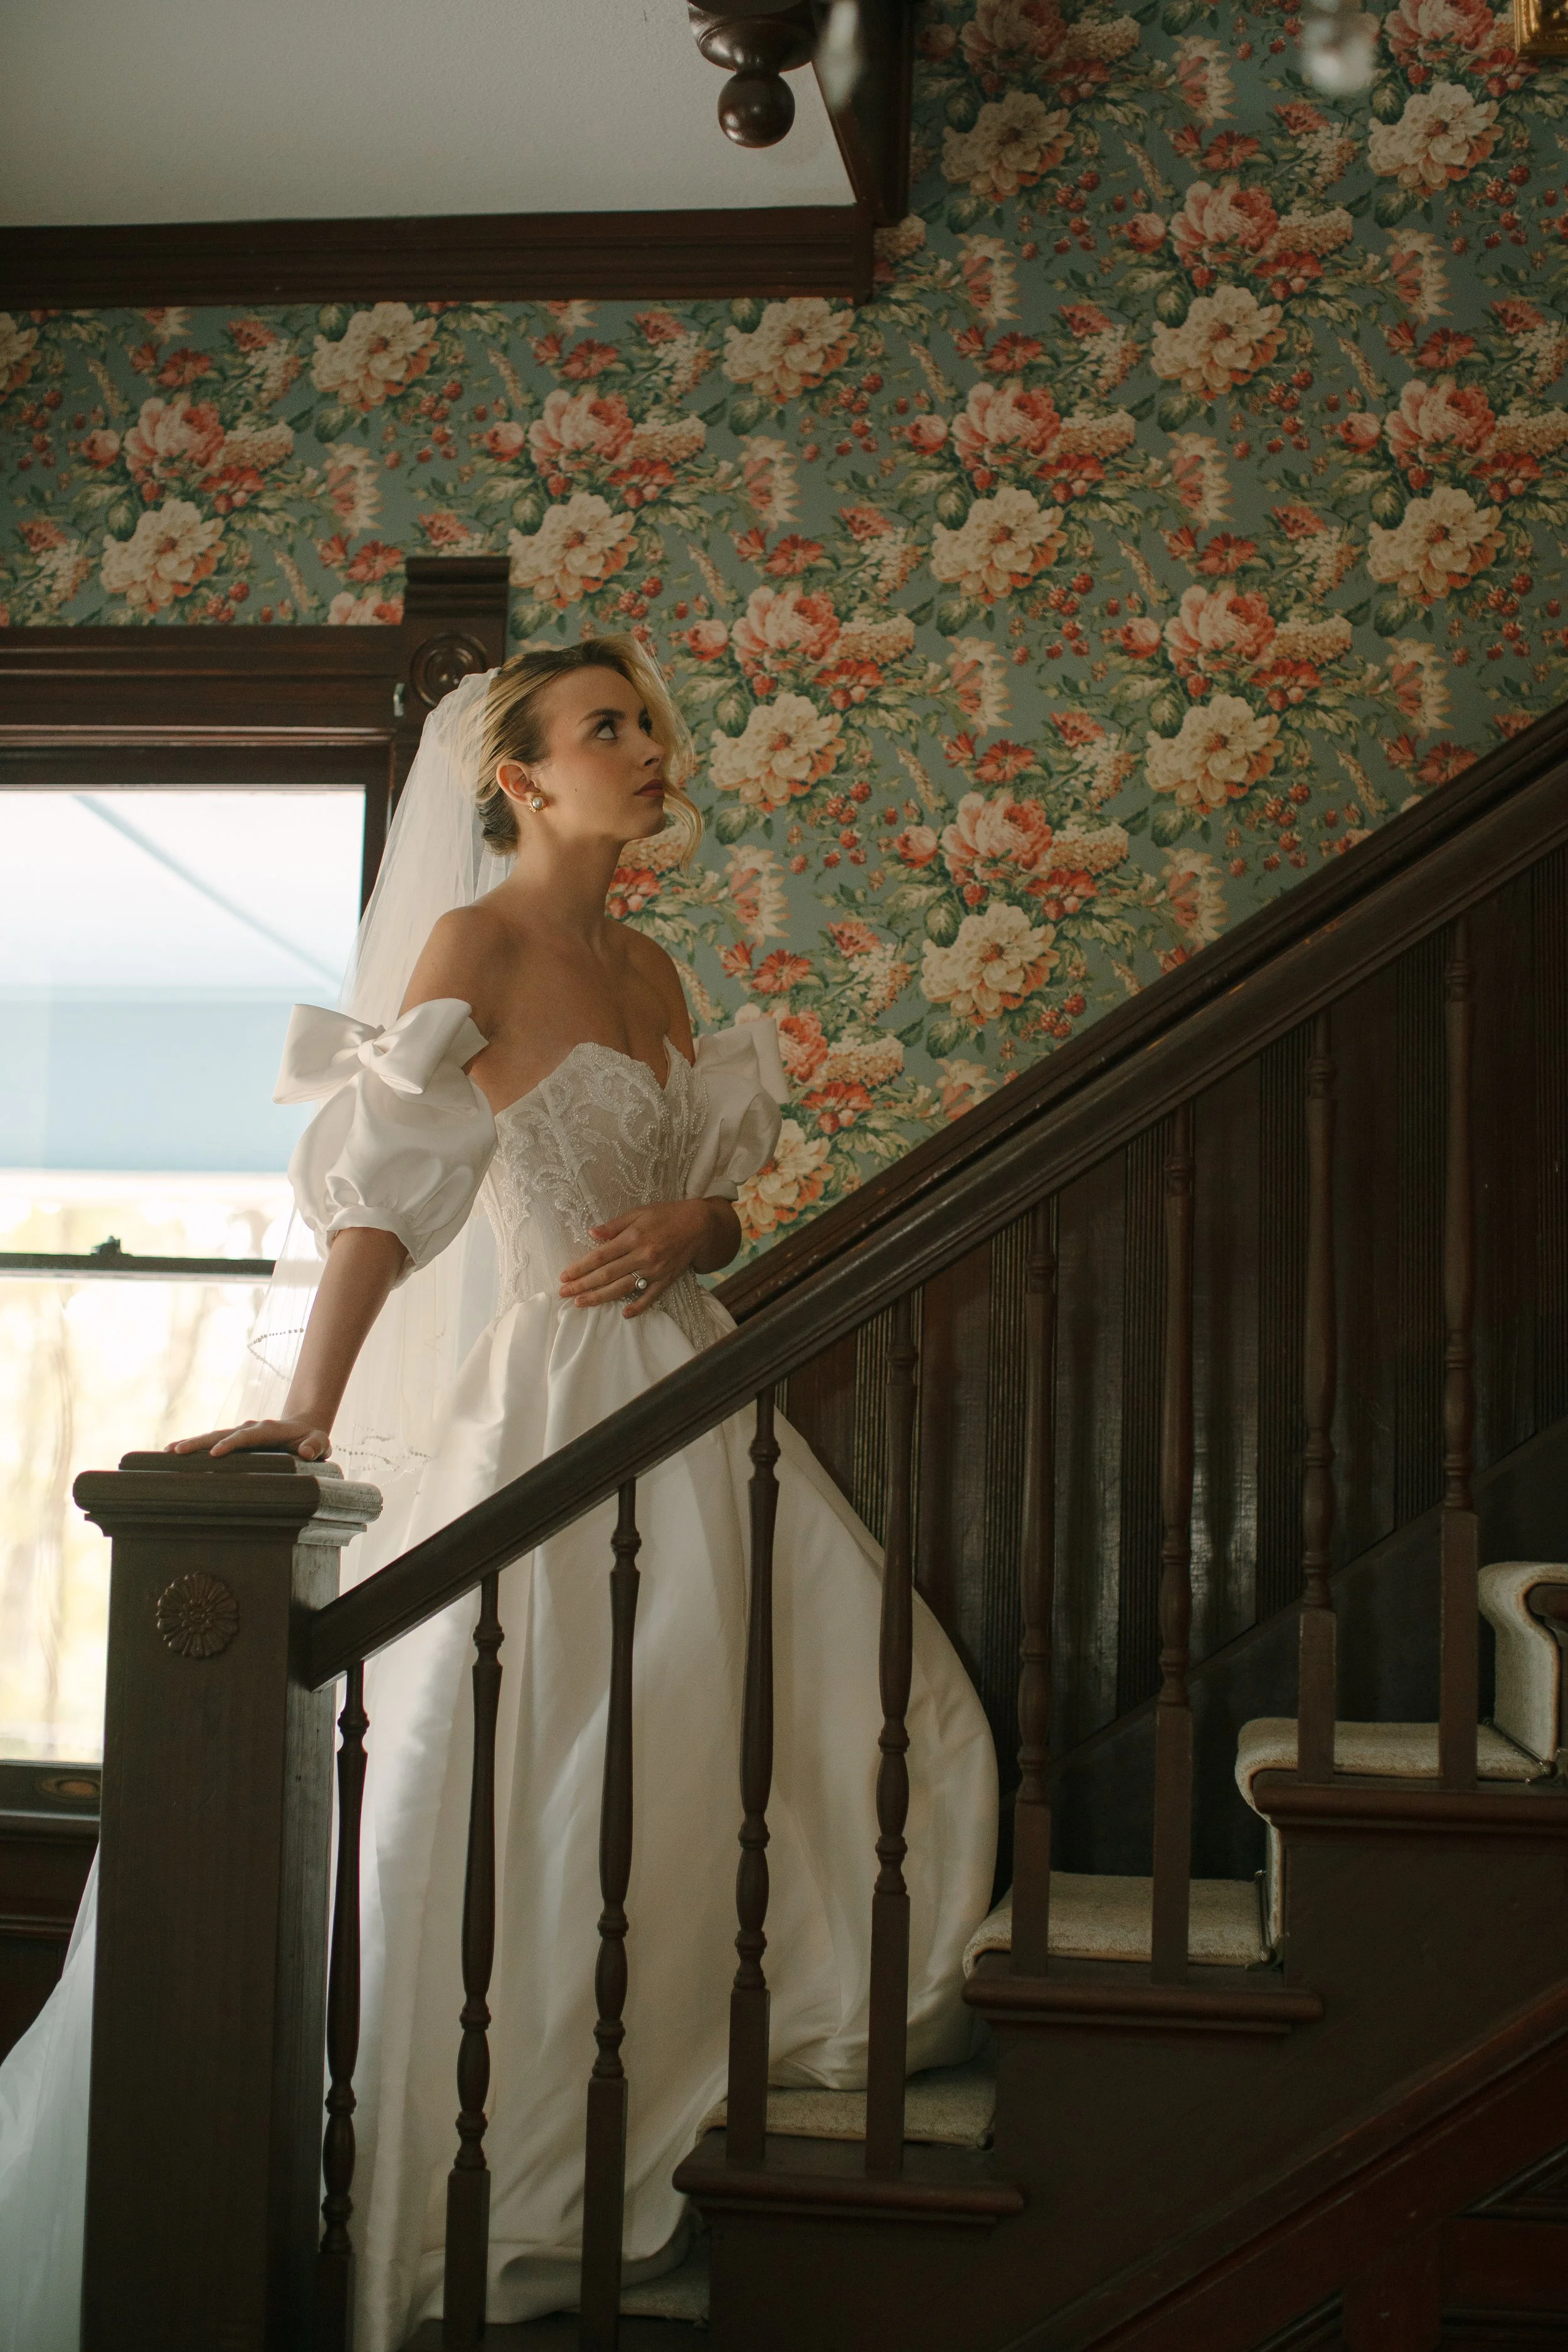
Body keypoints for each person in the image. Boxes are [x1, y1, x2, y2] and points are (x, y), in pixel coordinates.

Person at [0, 639, 999, 2351]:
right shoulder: (478, 943)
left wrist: (704, 1229)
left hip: (688, 1379)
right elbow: (386, 1199)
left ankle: (706, 2062)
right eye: (604, 727)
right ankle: (492, 2179)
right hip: (548, 1403)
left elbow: (702, 1198)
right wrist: (301, 1414)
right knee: (562, 1744)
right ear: (522, 780)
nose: (645, 746)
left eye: (646, 722)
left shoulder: (660, 962)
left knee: (831, 1691)